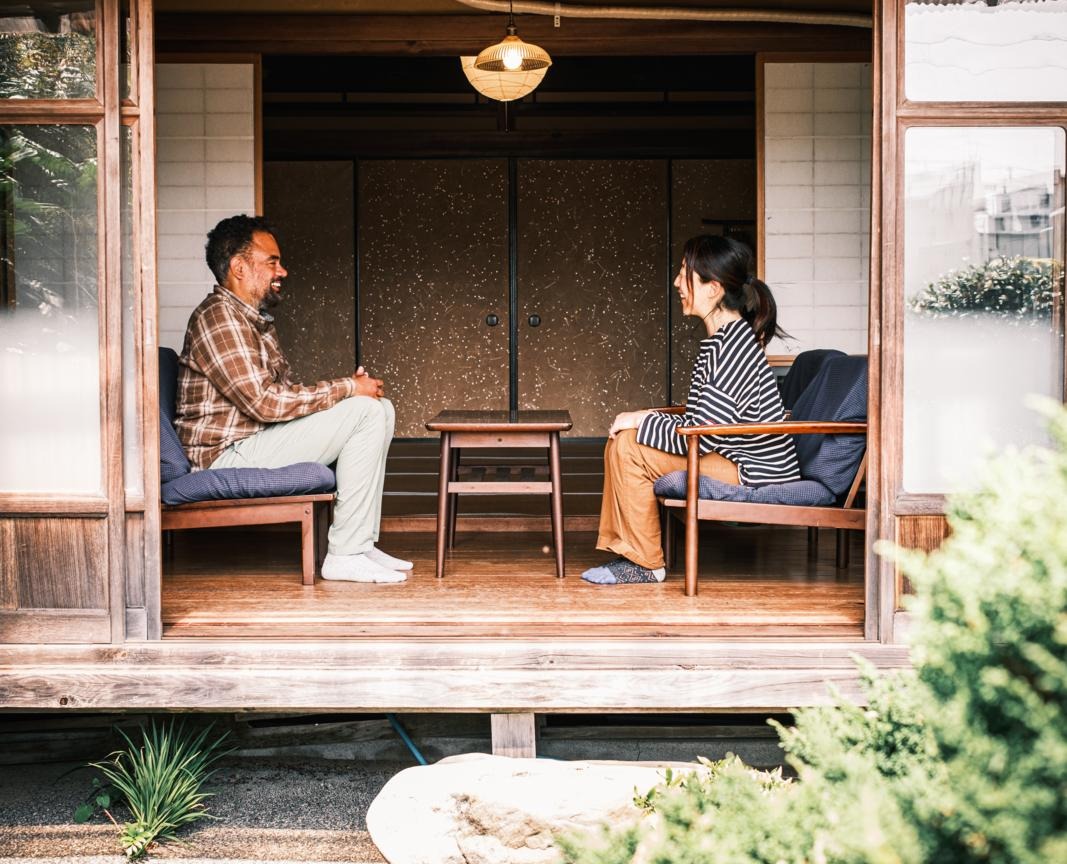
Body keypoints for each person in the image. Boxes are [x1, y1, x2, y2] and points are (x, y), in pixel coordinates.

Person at [175, 214, 410, 583]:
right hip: (224, 454)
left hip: (255, 440)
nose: (281, 271)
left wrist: (349, 392)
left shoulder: (252, 320)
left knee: (381, 408)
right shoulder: (219, 318)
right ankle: (345, 554)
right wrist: (348, 388)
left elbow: (281, 396)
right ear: (239, 266)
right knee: (365, 410)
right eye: (272, 262)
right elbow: (265, 403)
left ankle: (358, 543)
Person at [582, 235, 801, 585]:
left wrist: (640, 419)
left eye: (684, 274)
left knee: (628, 447)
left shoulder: (732, 347)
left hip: (752, 470)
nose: (676, 284)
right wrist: (641, 420)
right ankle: (633, 554)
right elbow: (702, 423)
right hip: (730, 454)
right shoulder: (725, 340)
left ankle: (645, 563)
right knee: (625, 441)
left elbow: (700, 434)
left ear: (713, 289)